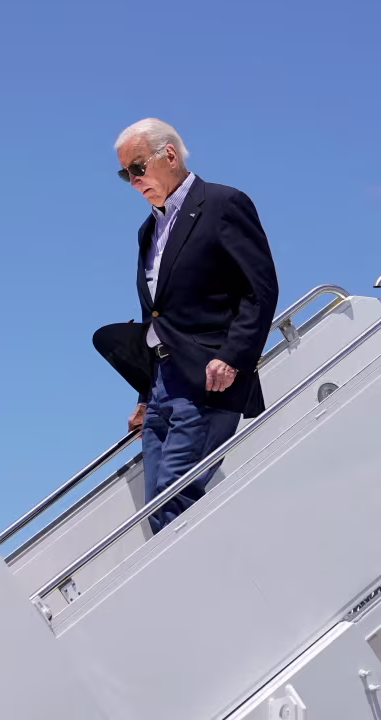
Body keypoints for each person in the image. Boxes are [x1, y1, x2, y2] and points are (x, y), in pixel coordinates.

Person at [93, 118, 279, 533]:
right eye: (125, 174)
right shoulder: (148, 231)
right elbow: (156, 318)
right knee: (155, 511)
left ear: (170, 156)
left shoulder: (222, 205)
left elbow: (260, 290)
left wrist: (233, 359)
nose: (132, 182)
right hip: (161, 385)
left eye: (137, 168)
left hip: (207, 380)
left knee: (173, 504)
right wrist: (145, 394)